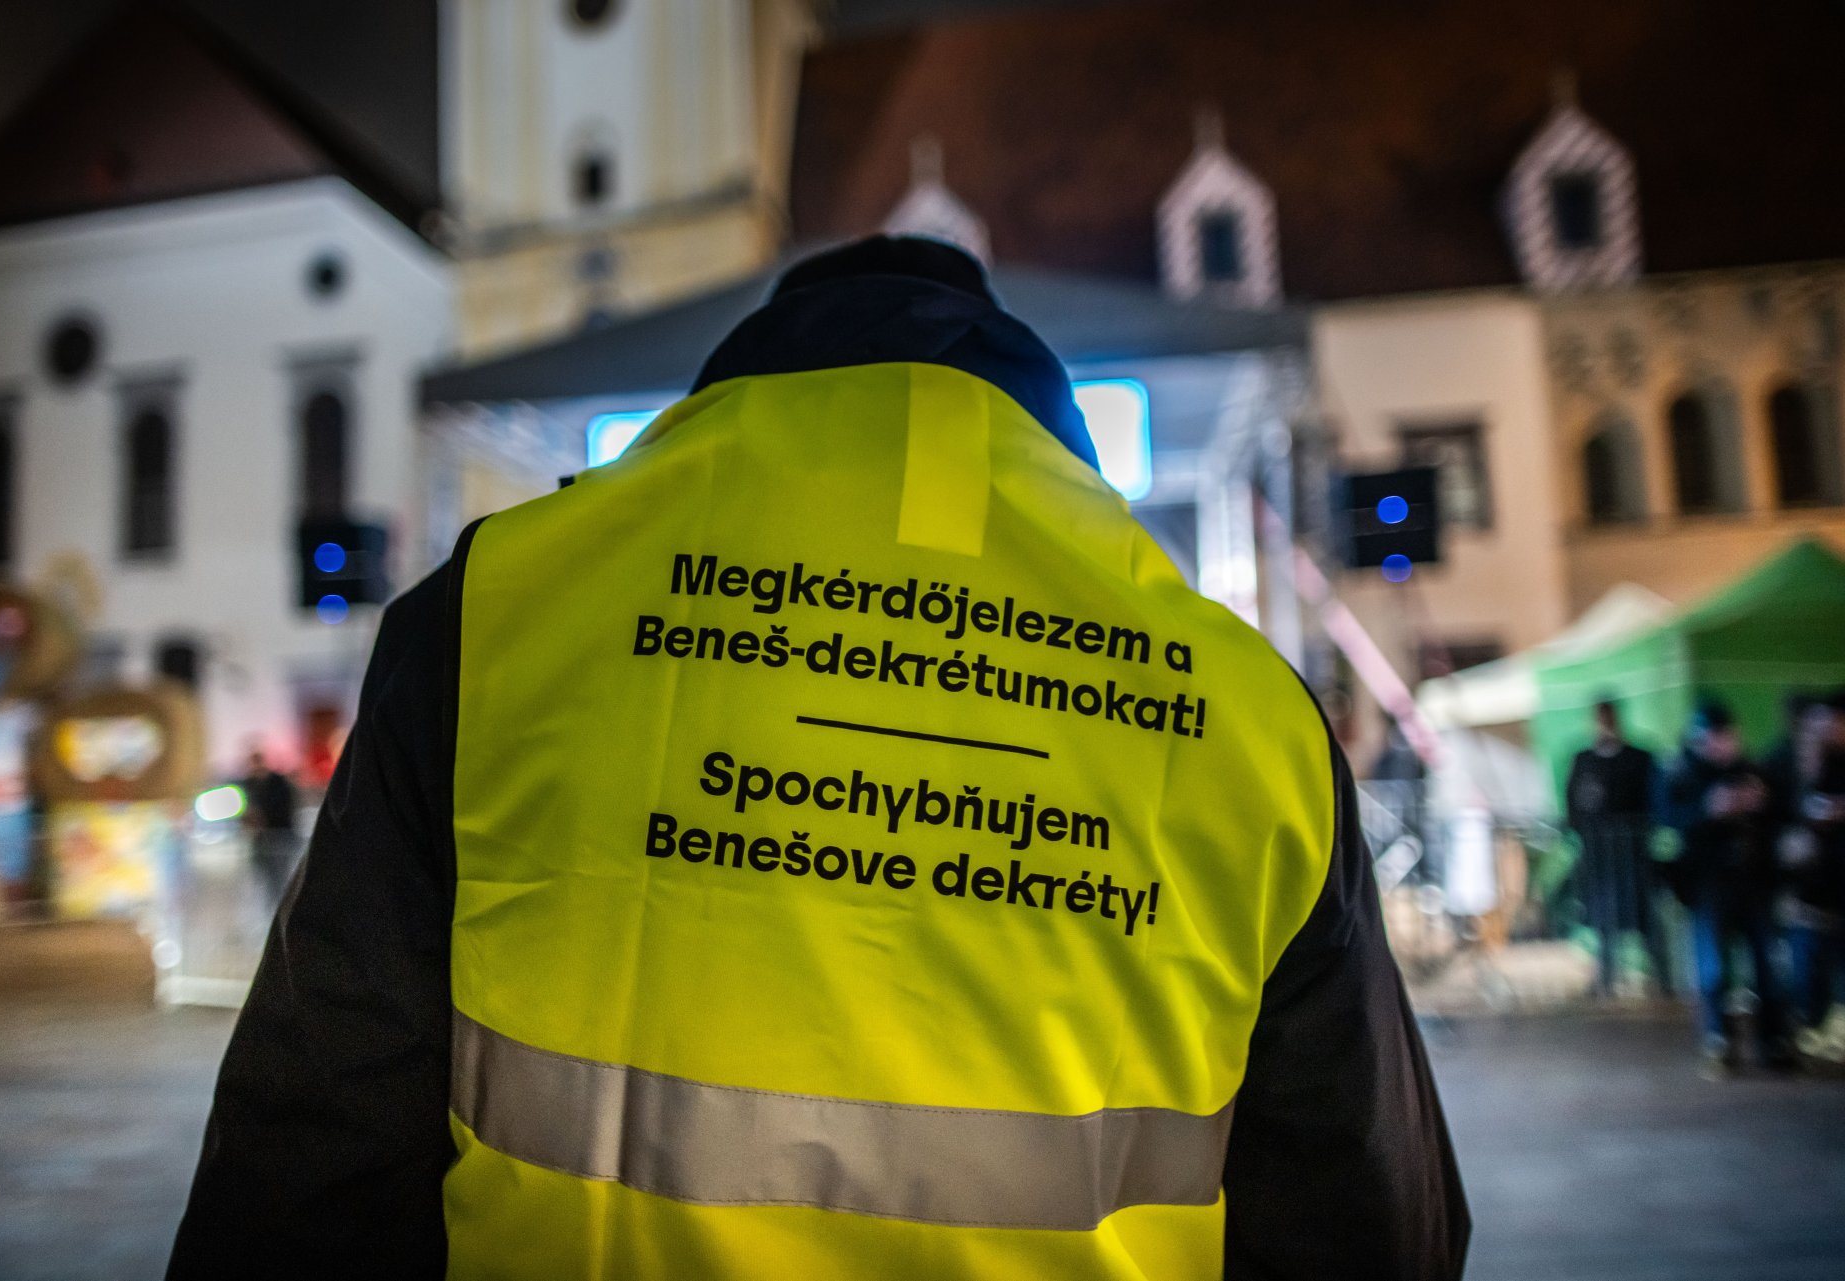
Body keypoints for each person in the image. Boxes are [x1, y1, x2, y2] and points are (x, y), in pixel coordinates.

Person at [168, 237, 1468, 1279]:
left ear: (739, 389)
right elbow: (1370, 1213)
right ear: (1040, 418)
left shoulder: (495, 617)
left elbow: (314, 1147)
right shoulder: (1245, 706)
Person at [1659, 700, 1791, 1074]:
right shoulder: (1681, 773)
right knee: (1713, 967)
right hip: (1708, 884)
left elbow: (1779, 815)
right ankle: (1719, 1041)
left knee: (1766, 964)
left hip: (1754, 880)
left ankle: (1774, 1043)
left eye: (1726, 735)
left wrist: (1760, 804)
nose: (1721, 744)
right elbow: (1667, 818)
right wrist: (1708, 809)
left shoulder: (1753, 770)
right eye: (1713, 737)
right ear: (1699, 739)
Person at [1565, 699, 1669, 997]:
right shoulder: (1584, 761)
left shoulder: (1639, 759)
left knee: (1645, 918)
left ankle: (1662, 978)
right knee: (1604, 921)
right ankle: (1606, 978)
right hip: (1599, 858)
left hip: (1633, 856)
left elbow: (1653, 803)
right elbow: (1574, 806)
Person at [1775, 692, 1845, 1058]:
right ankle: (1810, 1027)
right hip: (1805, 887)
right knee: (1807, 960)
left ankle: (1828, 1026)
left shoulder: (1834, 765)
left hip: (1831, 882)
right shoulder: (1782, 765)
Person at [238, 746, 300, 911]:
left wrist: (263, 817)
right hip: (260, 842)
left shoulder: (278, 783)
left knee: (279, 879)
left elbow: (284, 809)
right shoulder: (250, 784)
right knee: (263, 880)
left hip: (279, 839)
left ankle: (280, 910)